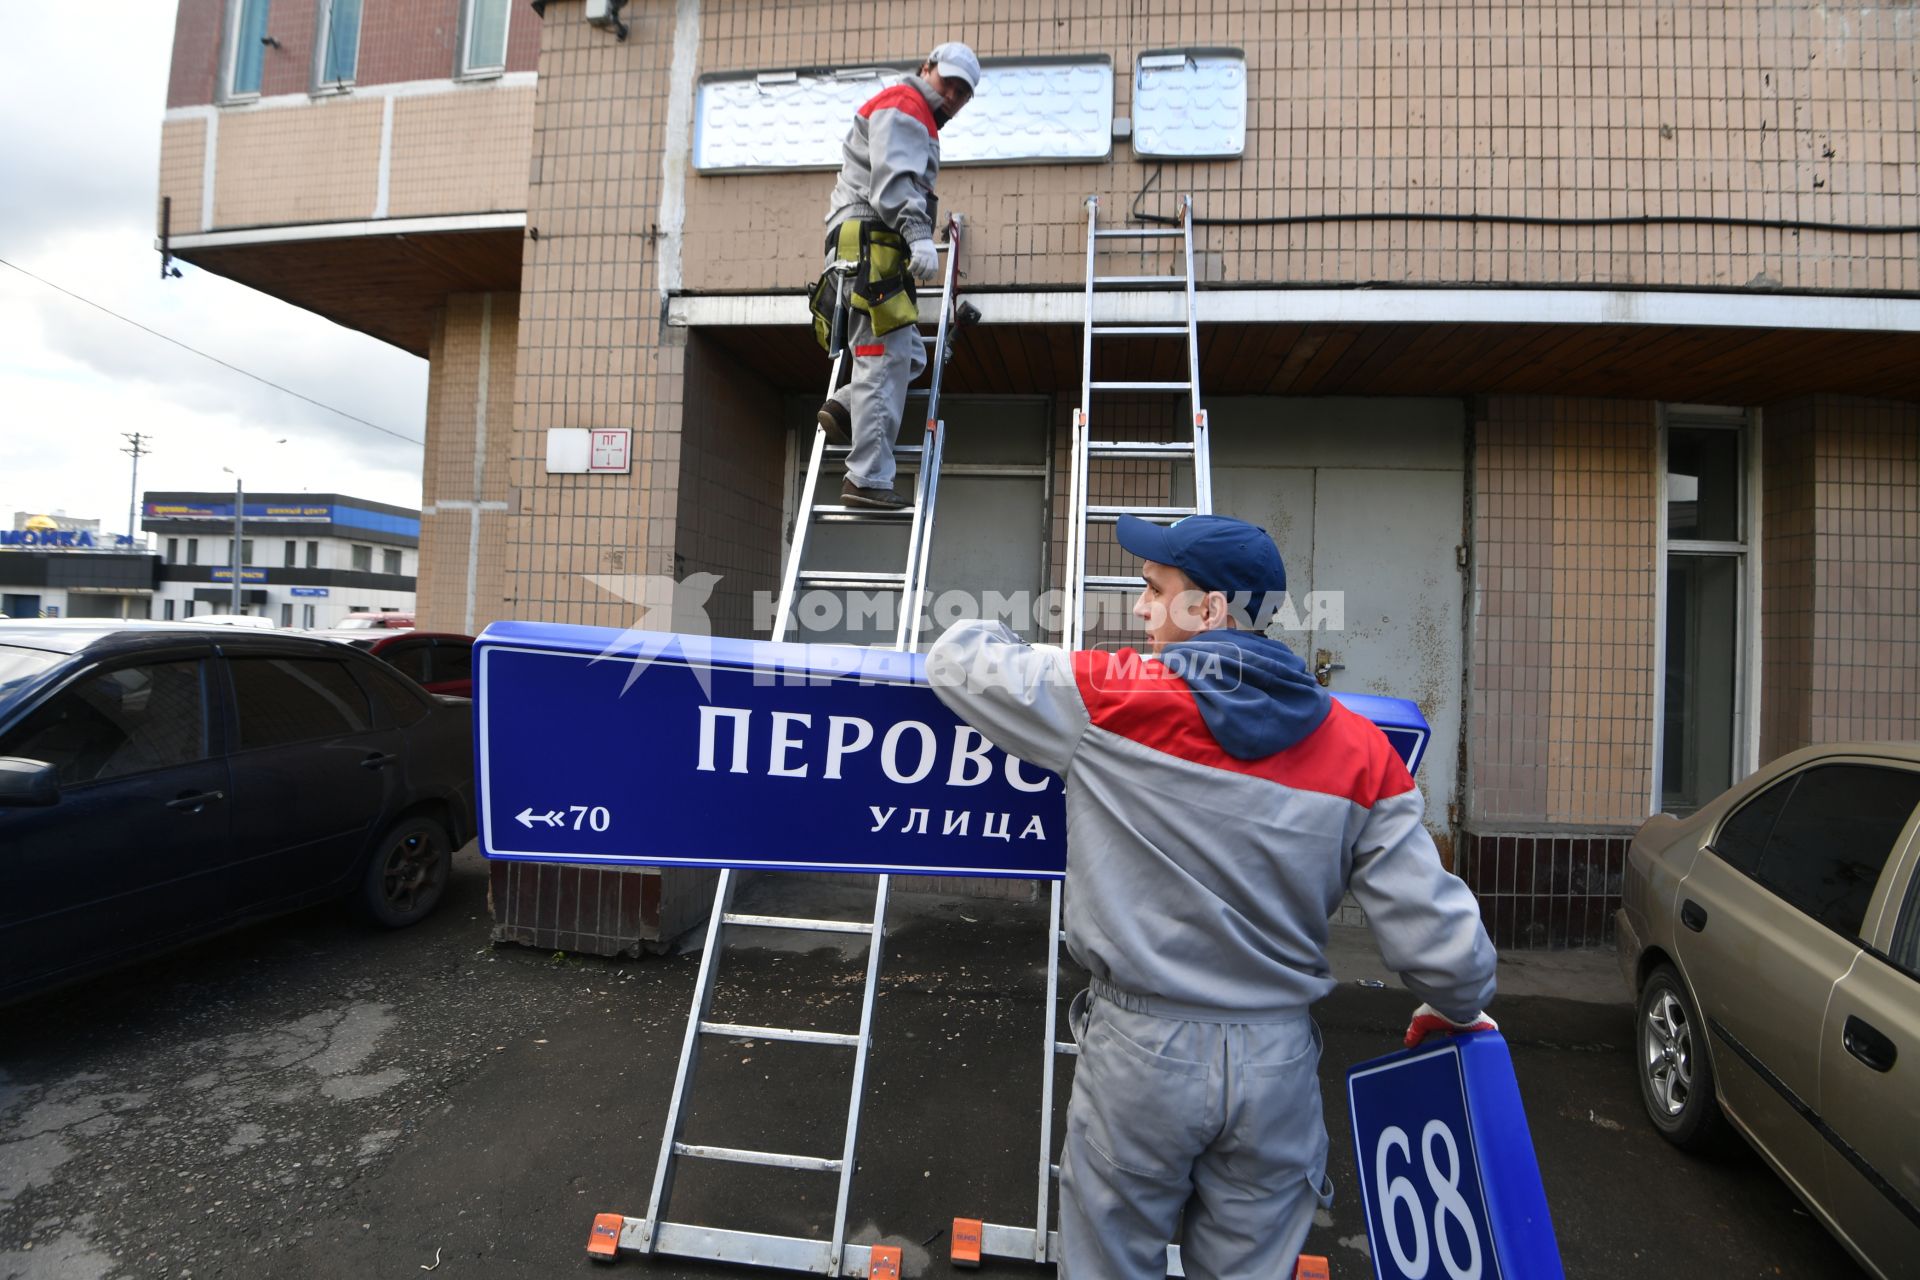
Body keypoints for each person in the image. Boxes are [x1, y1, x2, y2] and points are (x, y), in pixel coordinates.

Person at [926, 513, 1497, 1280]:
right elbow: (1449, 952)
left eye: (1155, 593)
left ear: (1212, 611)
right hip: (1278, 1067)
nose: (1139, 611)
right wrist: (1456, 1005)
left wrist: (1003, 631)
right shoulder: (1366, 754)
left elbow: (957, 661)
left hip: (1140, 1054)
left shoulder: (1114, 697)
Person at [812, 42, 980, 510]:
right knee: (881, 359)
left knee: (907, 356)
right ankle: (865, 480)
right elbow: (894, 183)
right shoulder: (906, 105)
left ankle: (845, 404)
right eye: (948, 83)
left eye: (963, 92)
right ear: (925, 69)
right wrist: (918, 233)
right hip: (874, 246)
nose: (952, 96)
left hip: (868, 249)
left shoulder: (912, 112)